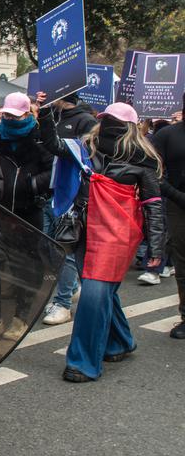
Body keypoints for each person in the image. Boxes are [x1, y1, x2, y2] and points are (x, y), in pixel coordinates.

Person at [42, 103, 164, 382]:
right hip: (85, 231)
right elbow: (52, 144)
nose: (110, 124)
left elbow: (153, 205)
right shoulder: (84, 148)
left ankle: (82, 362)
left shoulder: (143, 158)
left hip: (117, 234)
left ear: (130, 126)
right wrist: (47, 112)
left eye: (116, 120)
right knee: (101, 291)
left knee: (94, 294)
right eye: (106, 118)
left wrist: (156, 249)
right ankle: (120, 341)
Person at [0, 92, 53, 339]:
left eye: (15, 115)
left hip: (28, 211)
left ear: (27, 114)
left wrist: (32, 184)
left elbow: (52, 171)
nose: (10, 119)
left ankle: (21, 316)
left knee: (27, 266)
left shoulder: (39, 140)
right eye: (6, 114)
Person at [40, 91, 98, 323]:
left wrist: (44, 116)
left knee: (65, 252)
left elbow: (74, 154)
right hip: (51, 194)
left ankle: (63, 304)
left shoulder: (86, 121)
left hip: (72, 197)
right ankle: (72, 287)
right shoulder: (55, 117)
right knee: (48, 248)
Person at [154, 101, 185, 338]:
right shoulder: (167, 134)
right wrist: (173, 193)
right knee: (182, 263)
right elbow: (152, 167)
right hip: (178, 204)